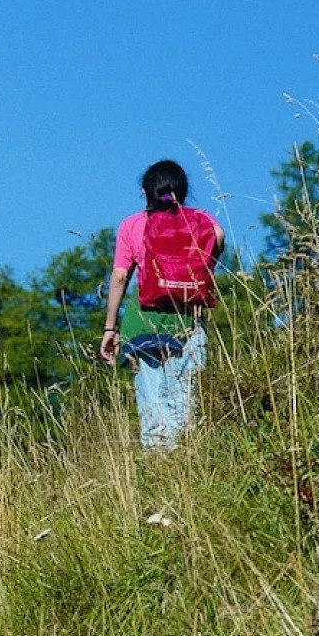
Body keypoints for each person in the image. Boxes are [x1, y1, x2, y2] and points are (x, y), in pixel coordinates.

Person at [99, 160, 225, 450]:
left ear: (146, 192)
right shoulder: (201, 220)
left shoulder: (132, 225)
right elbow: (217, 237)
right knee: (183, 400)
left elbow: (120, 276)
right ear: (183, 190)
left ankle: (157, 463)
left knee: (152, 405)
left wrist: (110, 327)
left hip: (142, 322)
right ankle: (183, 463)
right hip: (187, 321)